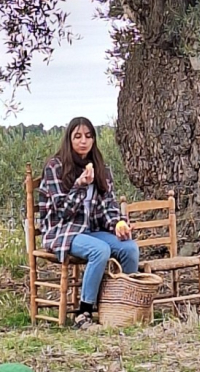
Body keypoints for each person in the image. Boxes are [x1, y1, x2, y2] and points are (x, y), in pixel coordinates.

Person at [38, 116, 139, 327]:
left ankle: (122, 306)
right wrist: (80, 185)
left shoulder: (101, 168)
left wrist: (118, 224)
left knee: (129, 248)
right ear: (69, 140)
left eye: (88, 136)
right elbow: (62, 213)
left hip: (91, 230)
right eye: (78, 136)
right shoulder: (55, 168)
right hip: (62, 232)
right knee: (100, 250)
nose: (83, 141)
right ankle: (83, 314)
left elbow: (108, 206)